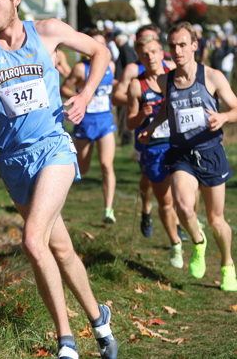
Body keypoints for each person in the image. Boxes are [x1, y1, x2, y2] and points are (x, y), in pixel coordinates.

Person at [0, 0, 118, 359]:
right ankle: (100, 319)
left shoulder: (47, 31)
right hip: (12, 161)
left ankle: (66, 341)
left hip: (53, 148)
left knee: (32, 240)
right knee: (59, 249)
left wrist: (83, 94)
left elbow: (101, 51)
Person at [139, 21, 237, 292]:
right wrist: (150, 128)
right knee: (183, 205)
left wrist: (224, 117)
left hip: (211, 152)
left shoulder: (213, 76)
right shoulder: (165, 80)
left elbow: (235, 107)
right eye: (173, 45)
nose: (177, 50)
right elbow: (166, 110)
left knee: (217, 219)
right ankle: (197, 241)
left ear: (194, 45)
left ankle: (228, 263)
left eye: (183, 44)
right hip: (181, 154)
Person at [126, 34, 182, 267]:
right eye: (144, 54)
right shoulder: (136, 85)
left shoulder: (176, 76)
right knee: (166, 201)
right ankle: (175, 244)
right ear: (139, 57)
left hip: (180, 143)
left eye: (154, 52)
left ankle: (188, 222)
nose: (150, 57)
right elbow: (129, 123)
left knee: (189, 195)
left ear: (162, 53)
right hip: (155, 148)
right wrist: (142, 114)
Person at [61, 29, 118, 224]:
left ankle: (108, 209)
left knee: (106, 165)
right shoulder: (79, 69)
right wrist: (80, 95)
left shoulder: (110, 65)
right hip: (85, 123)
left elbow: (111, 87)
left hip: (105, 122)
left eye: (103, 44)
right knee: (81, 169)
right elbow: (64, 88)